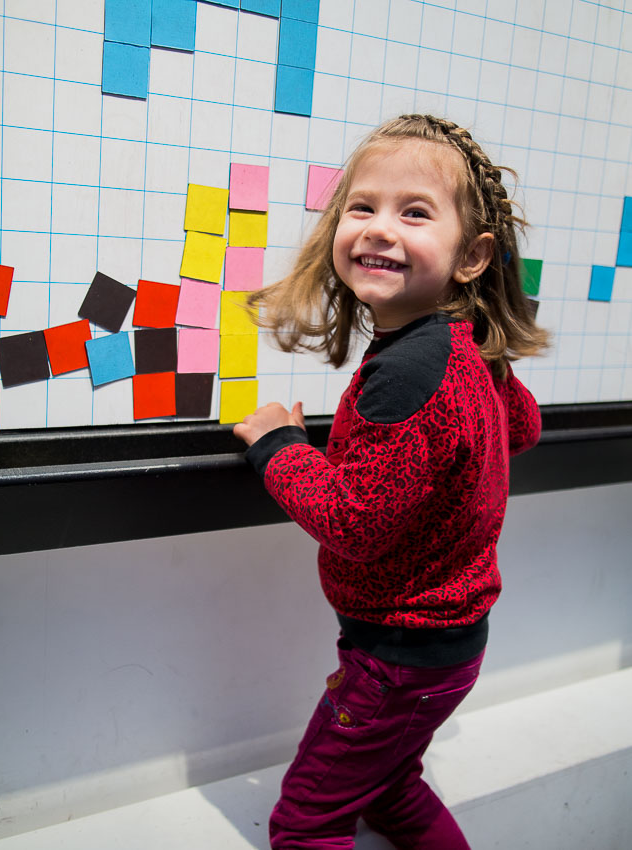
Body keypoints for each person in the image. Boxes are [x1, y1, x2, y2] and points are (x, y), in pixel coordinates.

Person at [233, 114, 550, 850]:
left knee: (306, 824)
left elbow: (355, 524)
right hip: (449, 649)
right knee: (394, 792)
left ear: (471, 256)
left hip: (396, 658)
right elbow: (523, 429)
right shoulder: (462, 349)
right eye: (361, 207)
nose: (378, 228)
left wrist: (278, 443)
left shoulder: (406, 369)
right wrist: (486, 377)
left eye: (413, 212)